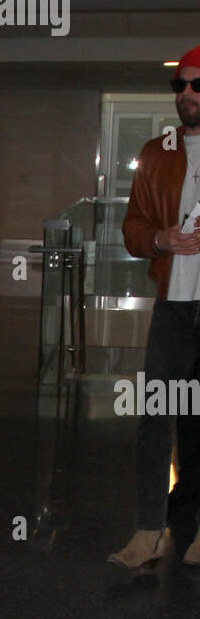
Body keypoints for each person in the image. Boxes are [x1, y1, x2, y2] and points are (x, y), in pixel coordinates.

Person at [113, 45, 200, 568]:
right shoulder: (157, 152)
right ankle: (148, 530)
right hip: (173, 307)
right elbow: (132, 229)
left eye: (197, 85)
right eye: (181, 86)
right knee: (156, 417)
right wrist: (162, 240)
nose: (187, 94)